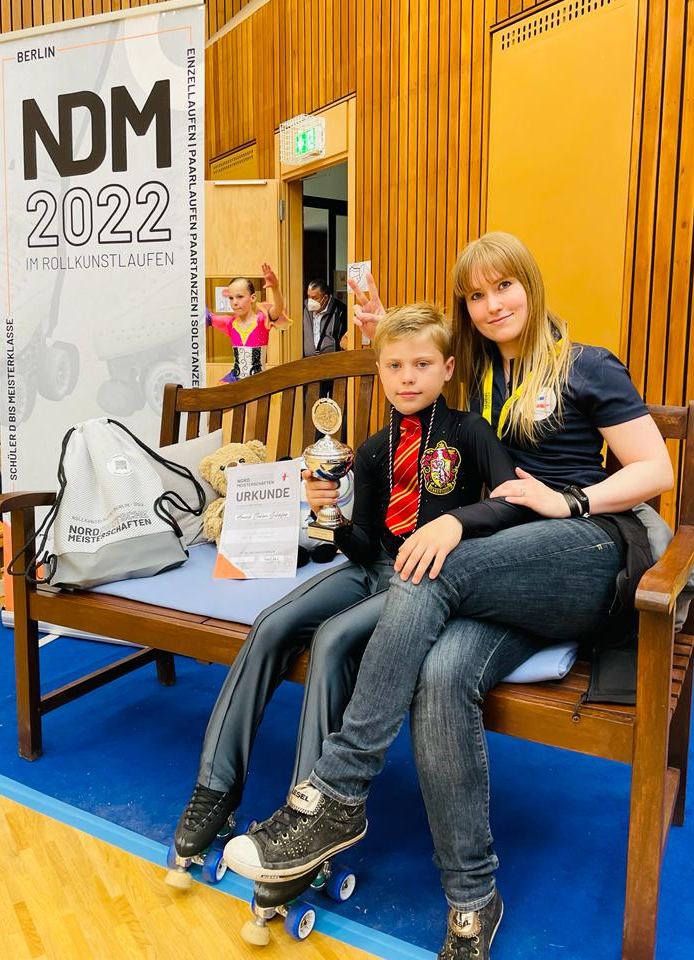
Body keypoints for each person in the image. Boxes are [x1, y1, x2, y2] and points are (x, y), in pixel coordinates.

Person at [223, 233, 674, 960]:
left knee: (430, 564)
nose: (492, 305)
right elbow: (416, 361)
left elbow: (655, 469)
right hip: (508, 568)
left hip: (588, 550)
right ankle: (472, 899)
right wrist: (378, 324)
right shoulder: (484, 371)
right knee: (439, 676)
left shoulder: (586, 364)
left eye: (505, 286)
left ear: (530, 284)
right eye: (476, 295)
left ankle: (337, 791)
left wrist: (567, 502)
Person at [172, 300, 539, 863]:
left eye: (421, 364)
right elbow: (366, 543)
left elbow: (512, 502)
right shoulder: (370, 451)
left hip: (424, 580)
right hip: (371, 568)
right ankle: (215, 785)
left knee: (334, 638)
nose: (407, 377)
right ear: (380, 371)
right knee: (271, 624)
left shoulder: (469, 432)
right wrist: (334, 520)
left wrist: (454, 525)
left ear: (447, 369)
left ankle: (307, 810)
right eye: (395, 365)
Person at [206, 263, 290, 381]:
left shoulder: (262, 320)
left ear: (253, 298)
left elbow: (278, 308)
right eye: (231, 298)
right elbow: (206, 317)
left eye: (240, 297)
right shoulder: (230, 323)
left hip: (258, 382)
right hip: (235, 381)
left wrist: (275, 288)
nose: (235, 302)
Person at [302, 279, 348, 358]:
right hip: (308, 361)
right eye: (309, 297)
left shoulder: (341, 311)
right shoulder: (302, 308)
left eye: (314, 298)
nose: (310, 302)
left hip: (332, 361)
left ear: (325, 298)